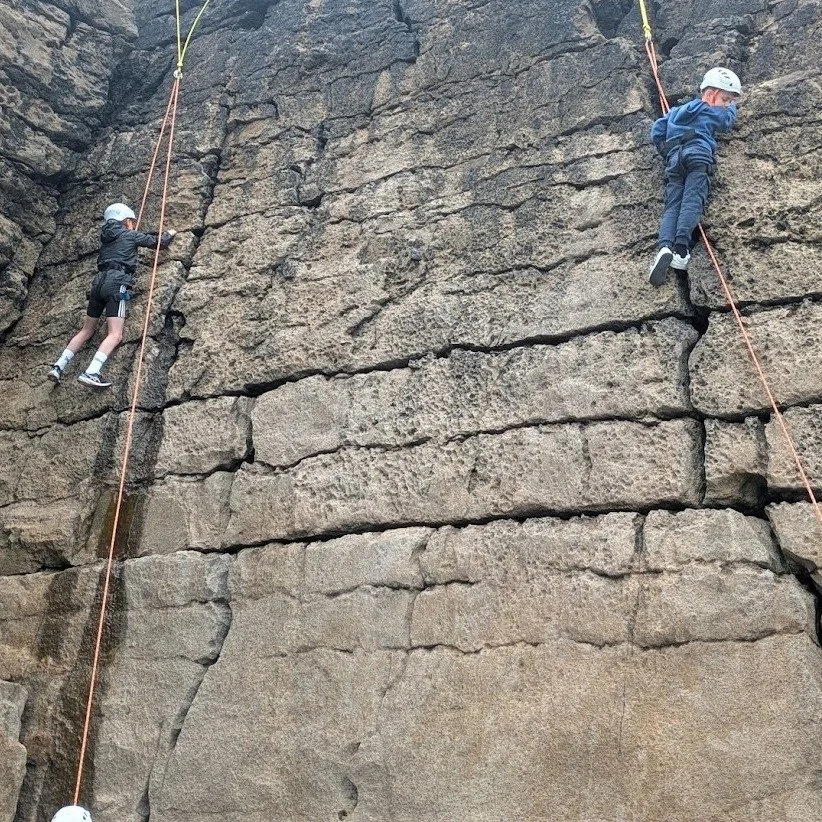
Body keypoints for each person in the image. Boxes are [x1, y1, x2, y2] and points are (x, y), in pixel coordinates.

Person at [47, 203, 176, 388]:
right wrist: (170, 233)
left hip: (98, 282)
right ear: (125, 220)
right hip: (117, 283)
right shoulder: (129, 235)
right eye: (131, 220)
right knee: (115, 335)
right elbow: (159, 243)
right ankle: (92, 372)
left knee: (86, 330)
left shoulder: (106, 239)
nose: (133, 224)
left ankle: (58, 366)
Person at [648, 67, 741, 286]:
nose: (726, 104)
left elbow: (656, 131)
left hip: (674, 160)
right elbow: (726, 122)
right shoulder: (709, 109)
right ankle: (681, 250)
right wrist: (733, 109)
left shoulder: (678, 111)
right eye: (725, 99)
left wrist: (668, 151)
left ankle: (664, 248)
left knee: (673, 206)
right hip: (698, 155)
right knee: (692, 199)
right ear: (710, 94)